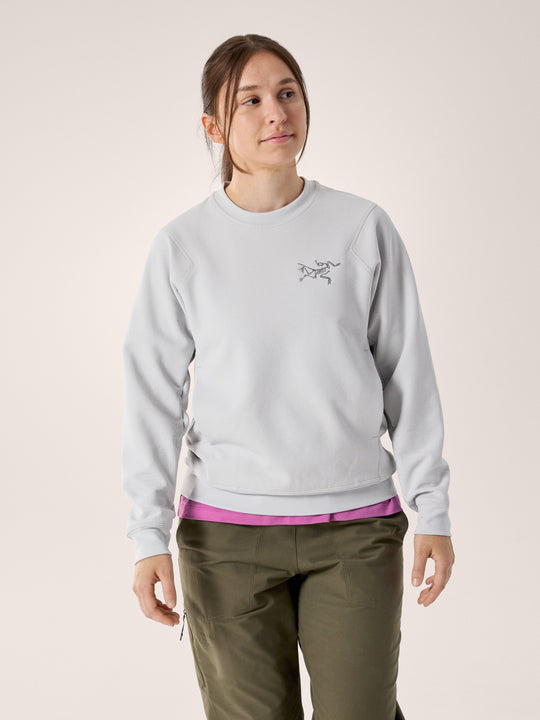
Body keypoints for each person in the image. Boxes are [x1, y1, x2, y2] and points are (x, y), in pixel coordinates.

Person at [121, 33, 455, 720]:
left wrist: (434, 509)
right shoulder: (183, 246)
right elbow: (153, 398)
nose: (276, 112)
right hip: (225, 540)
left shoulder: (361, 228)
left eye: (288, 92)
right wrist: (147, 536)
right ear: (213, 127)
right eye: (250, 100)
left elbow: (409, 377)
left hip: (356, 532)